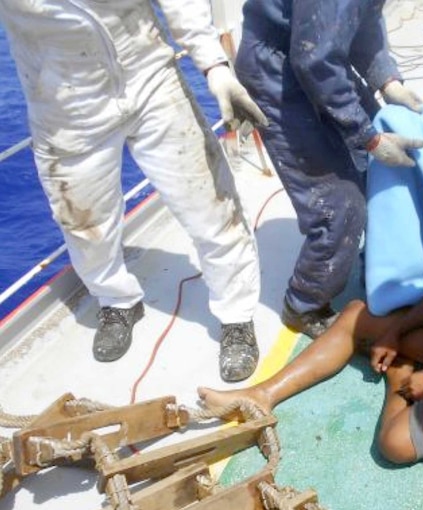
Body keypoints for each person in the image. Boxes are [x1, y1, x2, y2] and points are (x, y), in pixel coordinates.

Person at [198, 165, 423, 463]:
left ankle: (399, 376)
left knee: (395, 445)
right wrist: (396, 331)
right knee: (358, 315)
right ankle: (262, 395)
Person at [0, 1, 268, 382]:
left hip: (150, 78)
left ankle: (237, 315)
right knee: (84, 225)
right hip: (64, 106)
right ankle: (116, 300)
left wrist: (215, 66)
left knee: (213, 206)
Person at [233, 0, 423, 339]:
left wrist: (387, 79)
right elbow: (315, 60)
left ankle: (379, 264)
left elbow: (363, 18)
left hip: (314, 49)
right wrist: (368, 137)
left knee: (374, 174)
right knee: (340, 205)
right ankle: (304, 304)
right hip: (275, 71)